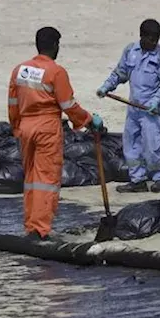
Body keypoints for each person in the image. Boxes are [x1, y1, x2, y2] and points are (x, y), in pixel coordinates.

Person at [8, 26, 105, 241]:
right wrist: (89, 120)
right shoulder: (56, 72)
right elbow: (68, 105)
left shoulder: (20, 70)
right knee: (46, 178)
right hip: (47, 129)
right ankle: (40, 229)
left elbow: (13, 102)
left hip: (25, 127)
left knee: (31, 178)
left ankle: (31, 225)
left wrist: (16, 126)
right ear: (55, 46)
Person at [96, 19, 160, 194]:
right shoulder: (130, 51)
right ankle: (137, 180)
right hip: (133, 109)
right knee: (131, 144)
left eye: (156, 39)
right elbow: (120, 73)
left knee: (152, 145)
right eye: (150, 39)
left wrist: (156, 100)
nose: (154, 42)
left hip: (152, 111)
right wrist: (106, 86)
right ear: (142, 36)